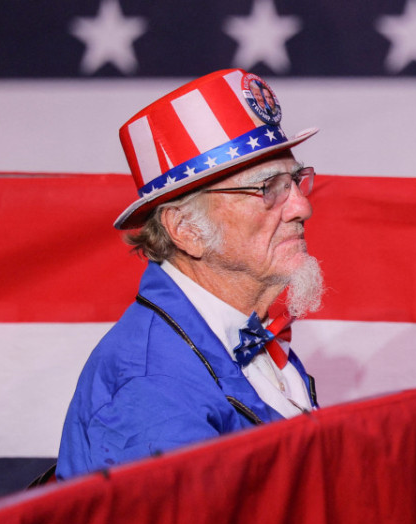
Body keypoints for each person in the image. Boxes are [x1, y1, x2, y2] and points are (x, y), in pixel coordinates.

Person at [56, 69, 324, 480]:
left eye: (295, 181)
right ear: (186, 230)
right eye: (267, 188)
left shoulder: (236, 332)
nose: (301, 209)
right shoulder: (151, 386)